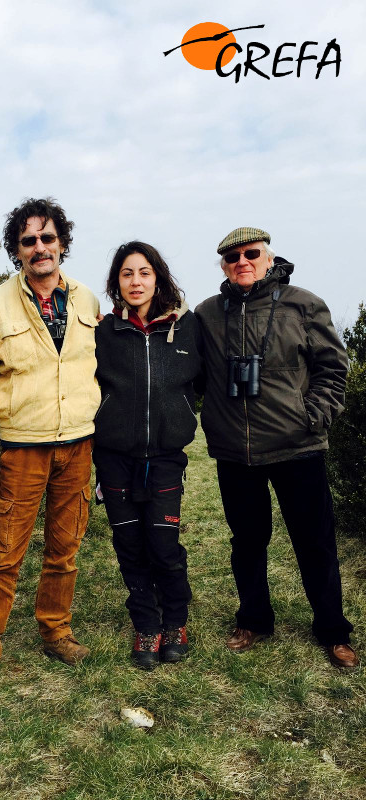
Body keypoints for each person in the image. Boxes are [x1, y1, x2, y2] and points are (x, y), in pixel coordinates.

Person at [0, 197, 101, 703]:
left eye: (49, 238)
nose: (41, 248)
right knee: (4, 558)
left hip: (79, 447)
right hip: (22, 452)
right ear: (17, 251)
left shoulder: (87, 301)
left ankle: (55, 632)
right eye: (29, 240)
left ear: (62, 243)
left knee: (65, 551)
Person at [195, 226, 358, 668]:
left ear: (268, 259)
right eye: (232, 258)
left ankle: (332, 630)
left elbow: (332, 368)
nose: (242, 262)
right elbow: (190, 372)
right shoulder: (207, 313)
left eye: (251, 254)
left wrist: (314, 416)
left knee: (315, 542)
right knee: (247, 541)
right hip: (235, 451)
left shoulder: (302, 303)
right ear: (224, 266)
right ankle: (253, 620)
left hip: (297, 446)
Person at [94, 242, 202, 670]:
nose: (135, 281)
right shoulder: (103, 329)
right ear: (116, 282)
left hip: (165, 458)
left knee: (163, 544)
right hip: (115, 457)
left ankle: (175, 620)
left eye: (144, 272)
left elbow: (205, 381)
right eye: (126, 274)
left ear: (158, 276)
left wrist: (181, 415)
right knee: (129, 545)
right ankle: (146, 625)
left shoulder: (187, 326)